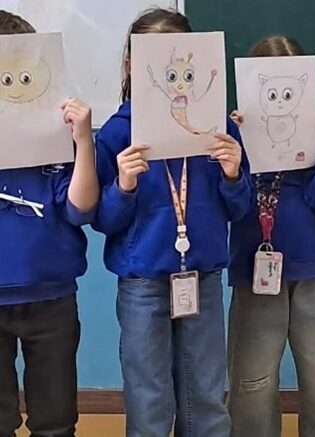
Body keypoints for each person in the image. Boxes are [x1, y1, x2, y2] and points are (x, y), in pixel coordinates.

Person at [93, 8, 252, 436]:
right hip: (143, 282)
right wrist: (124, 186)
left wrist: (233, 175)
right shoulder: (116, 133)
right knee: (149, 398)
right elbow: (102, 219)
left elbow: (240, 210)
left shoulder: (217, 129)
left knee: (207, 395)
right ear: (133, 65)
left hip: (203, 277)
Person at [226, 35, 315, 437]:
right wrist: (234, 156)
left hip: (313, 267)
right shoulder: (235, 134)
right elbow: (233, 205)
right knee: (252, 380)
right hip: (254, 268)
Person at [0, 11, 98, 437]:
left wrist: (83, 140)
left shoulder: (56, 137)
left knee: (56, 421)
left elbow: (80, 209)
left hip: (51, 296)